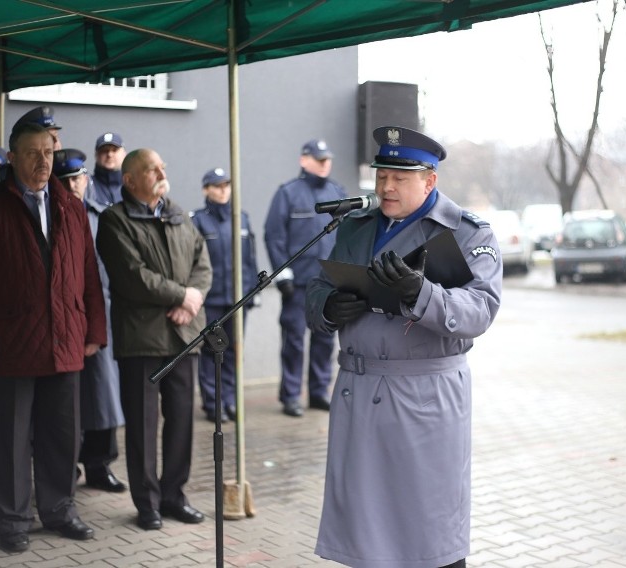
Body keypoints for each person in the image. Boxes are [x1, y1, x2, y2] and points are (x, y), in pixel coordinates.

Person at [305, 126, 503, 568]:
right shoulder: (356, 227)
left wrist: (422, 293)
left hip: (423, 398)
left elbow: (481, 310)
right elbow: (318, 286)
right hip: (359, 391)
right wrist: (328, 306)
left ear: (430, 180)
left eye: (399, 177)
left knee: (427, 535)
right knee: (364, 535)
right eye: (381, 176)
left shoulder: (469, 233)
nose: (386, 187)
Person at [0, 122, 107, 553]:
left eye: (48, 152)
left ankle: (59, 509)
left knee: (62, 434)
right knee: (11, 437)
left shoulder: (72, 207)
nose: (43, 161)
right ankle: (12, 518)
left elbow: (89, 275)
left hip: (66, 339)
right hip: (11, 342)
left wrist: (94, 329)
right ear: (13, 156)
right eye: (32, 153)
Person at [96, 148, 212, 531]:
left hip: (183, 333)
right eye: (152, 169)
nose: (162, 173)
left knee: (182, 421)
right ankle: (146, 504)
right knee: (143, 427)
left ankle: (173, 496)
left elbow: (202, 261)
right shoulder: (115, 220)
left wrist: (192, 299)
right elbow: (132, 275)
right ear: (129, 180)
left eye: (163, 166)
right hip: (142, 339)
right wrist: (181, 296)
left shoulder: (177, 212)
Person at [53, 149, 126, 493]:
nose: (72, 186)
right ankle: (68, 466)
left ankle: (100, 464)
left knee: (102, 393)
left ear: (87, 179)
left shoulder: (101, 215)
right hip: (63, 317)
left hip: (102, 314)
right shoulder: (49, 214)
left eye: (76, 178)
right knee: (66, 398)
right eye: (64, 180)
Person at [264, 139, 345, 417]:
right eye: (319, 159)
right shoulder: (288, 193)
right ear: (304, 160)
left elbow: (347, 236)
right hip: (298, 284)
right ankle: (291, 395)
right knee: (294, 342)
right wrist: (282, 274)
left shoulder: (337, 192)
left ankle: (319, 392)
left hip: (329, 283)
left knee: (324, 341)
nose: (324, 164)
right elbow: (274, 235)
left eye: (327, 159)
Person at [191, 168, 258, 423]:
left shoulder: (240, 218)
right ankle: (213, 403)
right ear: (206, 190)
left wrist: (253, 293)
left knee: (232, 351)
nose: (223, 190)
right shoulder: (197, 221)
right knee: (210, 352)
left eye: (226, 185)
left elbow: (249, 258)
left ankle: (229, 401)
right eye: (217, 186)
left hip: (238, 298)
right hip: (211, 300)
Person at [88, 132, 126, 207]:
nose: (109, 154)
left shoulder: (133, 187)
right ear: (96, 155)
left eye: (114, 150)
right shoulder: (87, 186)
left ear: (124, 154)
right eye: (104, 151)